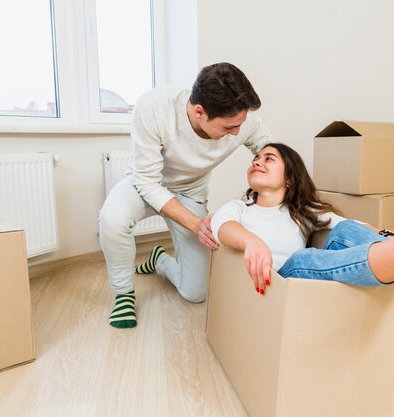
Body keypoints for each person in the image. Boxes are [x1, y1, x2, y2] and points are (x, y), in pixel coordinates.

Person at [209, 143, 394, 322]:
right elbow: (221, 226)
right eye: (255, 160)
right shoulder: (240, 208)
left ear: (290, 178)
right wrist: (252, 242)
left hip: (311, 282)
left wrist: (389, 238)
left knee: (344, 228)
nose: (257, 162)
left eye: (268, 159)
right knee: (304, 258)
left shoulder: (302, 213)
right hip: (277, 280)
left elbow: (352, 229)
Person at [99, 63, 273, 328]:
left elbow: (274, 156)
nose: (237, 133)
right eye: (228, 128)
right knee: (112, 219)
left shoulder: (243, 122)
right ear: (200, 112)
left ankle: (158, 260)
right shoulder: (154, 107)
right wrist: (196, 224)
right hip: (143, 185)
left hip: (191, 191)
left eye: (240, 124)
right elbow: (147, 182)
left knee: (196, 293)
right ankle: (123, 294)